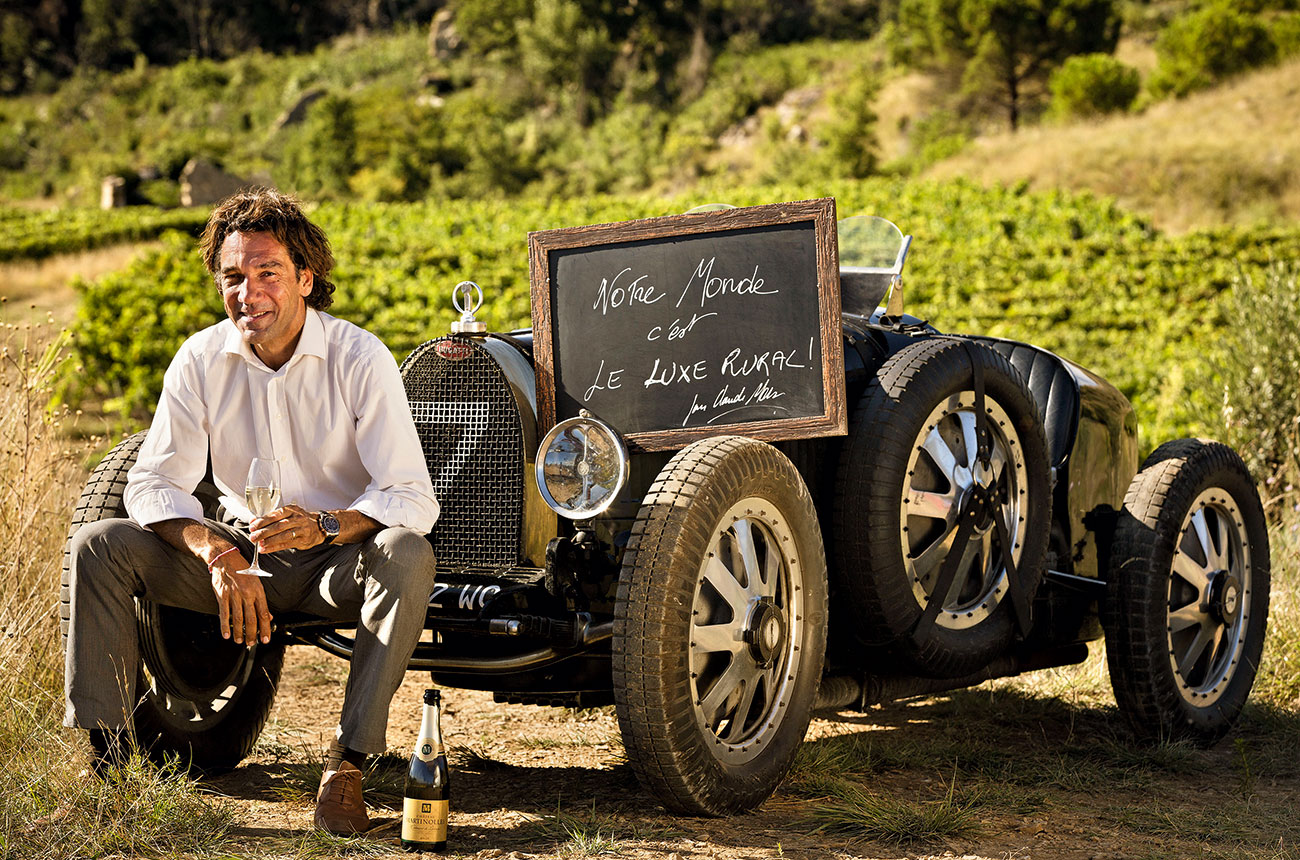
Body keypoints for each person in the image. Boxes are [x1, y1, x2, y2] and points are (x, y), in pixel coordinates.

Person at [63, 187, 439, 835]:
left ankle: (347, 766)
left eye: (268, 272)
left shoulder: (358, 356)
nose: (249, 291)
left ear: (305, 279)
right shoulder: (201, 359)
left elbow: (409, 495)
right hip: (240, 556)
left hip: (335, 562)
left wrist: (327, 523)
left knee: (407, 551)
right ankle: (111, 768)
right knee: (99, 543)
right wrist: (216, 552)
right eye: (233, 276)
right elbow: (152, 485)